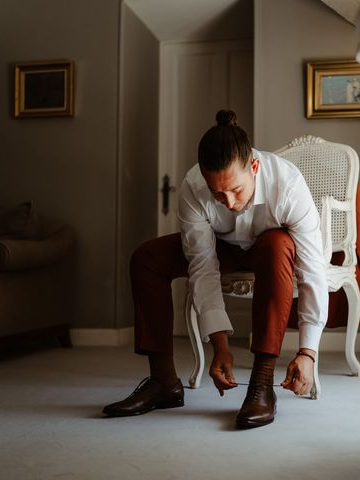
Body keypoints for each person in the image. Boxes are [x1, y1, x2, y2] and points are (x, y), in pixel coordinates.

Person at [102, 110, 328, 429]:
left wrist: (308, 352)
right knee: (146, 257)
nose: (230, 201)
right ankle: (163, 381)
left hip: (272, 248)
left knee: (277, 245)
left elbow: (312, 271)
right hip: (225, 248)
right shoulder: (194, 187)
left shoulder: (288, 184)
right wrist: (219, 347)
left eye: (236, 189)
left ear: (254, 167)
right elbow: (203, 267)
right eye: (218, 193)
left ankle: (262, 385)